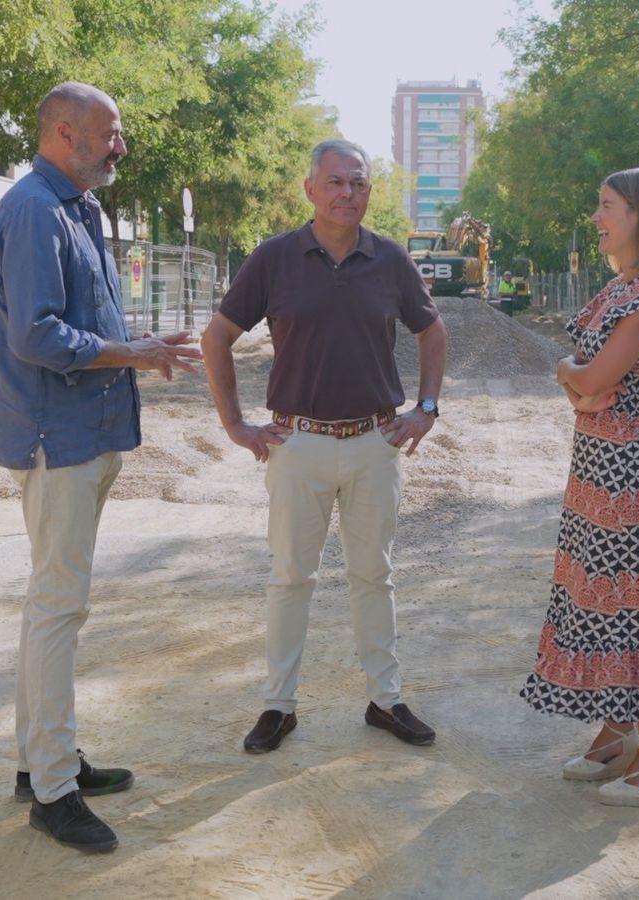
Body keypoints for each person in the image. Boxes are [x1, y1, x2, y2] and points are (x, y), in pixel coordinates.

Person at [0, 81, 202, 853]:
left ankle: (42, 761)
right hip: (58, 440)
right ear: (65, 133)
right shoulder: (35, 211)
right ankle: (52, 790)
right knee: (57, 610)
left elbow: (84, 321)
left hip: (89, 433)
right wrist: (129, 353)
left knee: (54, 607)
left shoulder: (79, 209)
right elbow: (37, 337)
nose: (121, 146)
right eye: (111, 133)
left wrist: (139, 342)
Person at [201, 138, 449, 755]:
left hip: (374, 442)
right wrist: (236, 425)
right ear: (310, 189)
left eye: (358, 183)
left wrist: (426, 408)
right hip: (297, 443)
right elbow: (217, 337)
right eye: (336, 182)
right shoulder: (275, 259)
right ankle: (278, 706)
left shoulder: (390, 258)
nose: (348, 193)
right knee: (291, 578)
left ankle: (385, 700)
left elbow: (433, 331)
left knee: (375, 576)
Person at [519, 167, 639, 807]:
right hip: (595, 459)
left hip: (624, 468)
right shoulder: (620, 288)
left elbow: (593, 382)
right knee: (592, 595)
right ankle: (619, 730)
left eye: (606, 206)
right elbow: (585, 384)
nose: (597, 217)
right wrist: (578, 380)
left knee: (627, 602)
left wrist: (572, 376)